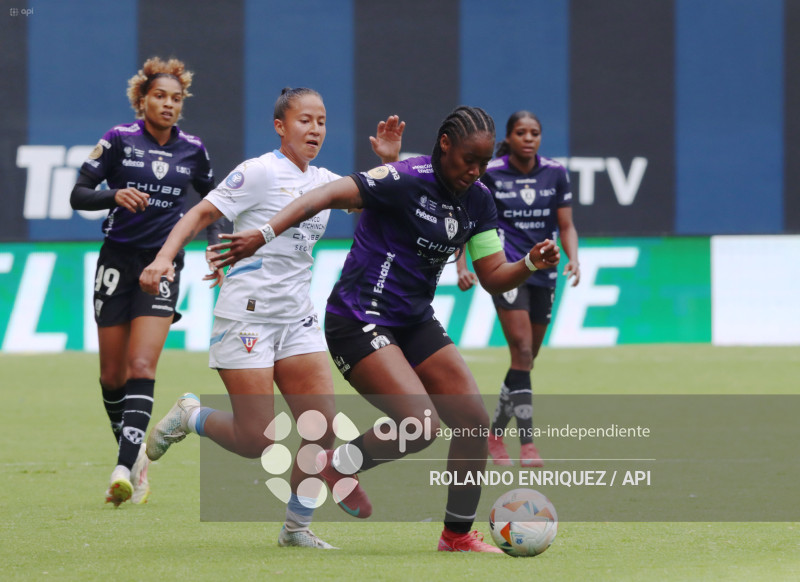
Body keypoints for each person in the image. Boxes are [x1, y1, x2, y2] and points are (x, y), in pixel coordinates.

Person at [207, 105, 560, 553]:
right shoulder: (403, 178)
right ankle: (337, 466)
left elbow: (491, 275)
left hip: (413, 320)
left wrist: (529, 263)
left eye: (483, 162)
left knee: (471, 422)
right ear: (444, 145)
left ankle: (456, 537)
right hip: (358, 318)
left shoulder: (479, 200)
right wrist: (264, 232)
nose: (474, 171)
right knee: (420, 424)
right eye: (467, 159)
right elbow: (321, 197)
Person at [139, 87, 405, 549]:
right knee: (256, 440)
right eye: (305, 120)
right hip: (247, 318)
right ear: (281, 126)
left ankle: (296, 529)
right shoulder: (258, 172)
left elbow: (383, 199)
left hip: (297, 319)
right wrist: (164, 259)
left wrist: (388, 164)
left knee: (319, 429)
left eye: (321, 121)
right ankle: (189, 416)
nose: (315, 129)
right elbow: (201, 212)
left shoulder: (324, 180)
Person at [70, 57, 223, 507]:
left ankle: (122, 467)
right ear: (142, 100)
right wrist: (113, 194)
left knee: (141, 367)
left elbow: (212, 202)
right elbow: (78, 193)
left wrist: (215, 242)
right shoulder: (118, 140)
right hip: (115, 262)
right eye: (160, 96)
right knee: (111, 375)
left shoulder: (193, 149)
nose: (169, 104)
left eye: (176, 99)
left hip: (162, 266)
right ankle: (136, 458)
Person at [456, 110, 580, 467]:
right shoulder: (491, 173)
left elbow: (567, 224)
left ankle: (494, 434)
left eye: (535, 132)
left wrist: (574, 257)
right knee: (522, 350)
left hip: (546, 271)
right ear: (508, 138)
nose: (529, 138)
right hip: (508, 268)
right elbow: (468, 217)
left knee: (526, 361)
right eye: (521, 132)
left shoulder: (555, 172)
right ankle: (528, 444)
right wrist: (463, 265)